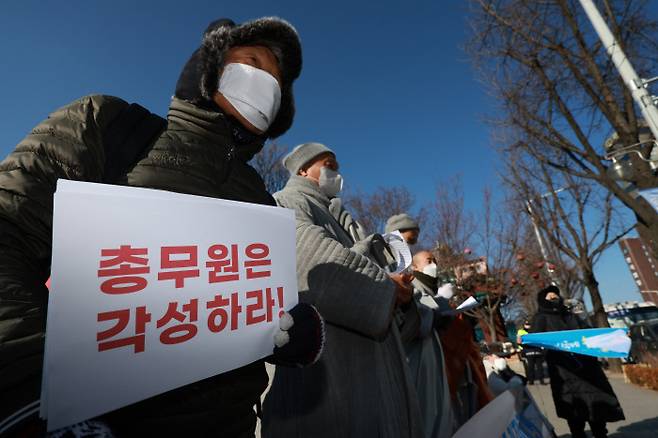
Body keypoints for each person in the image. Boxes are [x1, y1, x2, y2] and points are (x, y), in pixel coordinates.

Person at [0, 17, 321, 437]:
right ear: (211, 64)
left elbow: (237, 307)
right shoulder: (110, 126)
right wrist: (28, 393)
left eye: (278, 84)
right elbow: (8, 230)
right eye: (253, 62)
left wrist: (289, 326)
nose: (267, 84)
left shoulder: (260, 199)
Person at [262, 142, 423, 438]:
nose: (337, 174)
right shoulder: (285, 201)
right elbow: (311, 261)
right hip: (325, 377)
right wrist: (386, 288)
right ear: (302, 169)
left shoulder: (343, 218)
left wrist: (400, 292)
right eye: (329, 165)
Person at [531, 285, 625, 438]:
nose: (554, 298)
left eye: (556, 295)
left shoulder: (571, 316)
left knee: (598, 409)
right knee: (575, 412)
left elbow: (589, 333)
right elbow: (535, 339)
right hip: (564, 373)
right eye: (550, 296)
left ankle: (601, 433)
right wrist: (526, 341)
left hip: (588, 370)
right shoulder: (541, 318)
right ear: (543, 300)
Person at [405, 249, 454, 438]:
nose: (433, 264)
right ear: (415, 267)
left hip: (432, 365)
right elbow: (415, 320)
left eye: (435, 260)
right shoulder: (411, 287)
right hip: (417, 366)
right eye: (428, 261)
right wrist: (438, 306)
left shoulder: (429, 290)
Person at [516, 319, 547, 385]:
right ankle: (531, 381)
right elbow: (519, 341)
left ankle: (542, 380)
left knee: (540, 367)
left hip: (537, 350)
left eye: (529, 324)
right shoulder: (521, 331)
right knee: (531, 367)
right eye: (526, 324)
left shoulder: (535, 331)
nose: (528, 326)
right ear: (524, 325)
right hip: (528, 351)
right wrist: (523, 348)